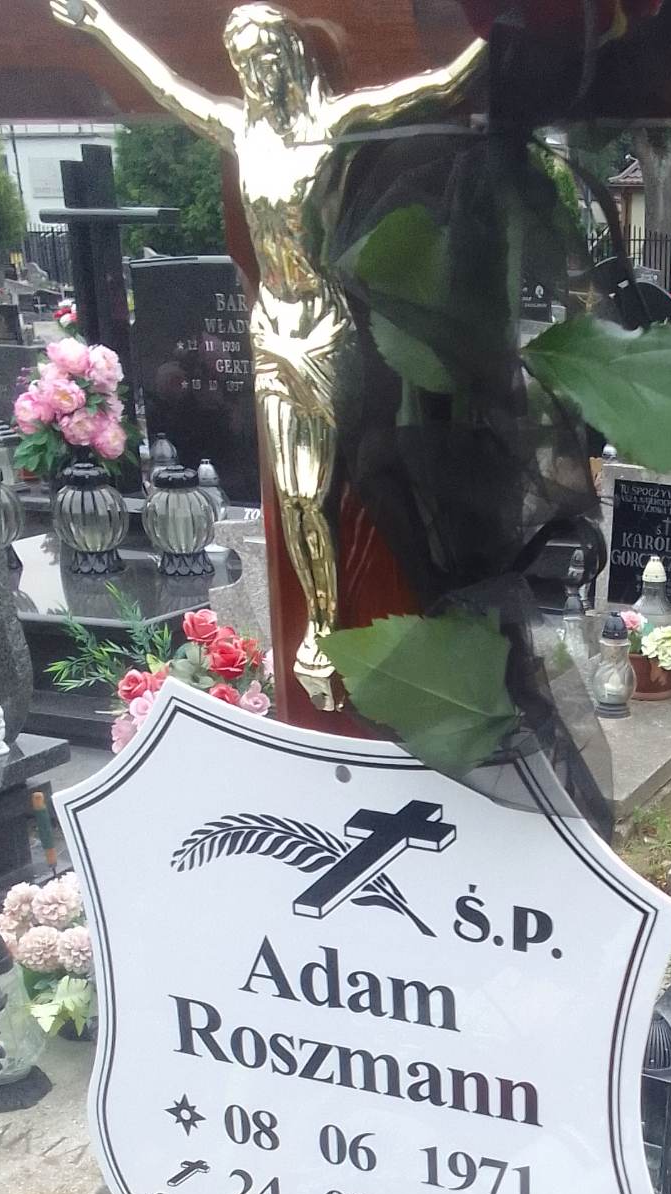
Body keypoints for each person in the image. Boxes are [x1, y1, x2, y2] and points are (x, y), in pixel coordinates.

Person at [51, 0, 482, 710]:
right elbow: (168, 87)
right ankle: (322, 622)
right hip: (270, 329)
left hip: (324, 328)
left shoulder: (333, 123)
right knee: (295, 495)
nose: (256, 73)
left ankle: (359, 623)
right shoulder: (239, 129)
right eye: (245, 63)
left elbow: (433, 89)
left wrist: (501, 38)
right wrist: (101, 26)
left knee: (341, 484)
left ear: (290, 60)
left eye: (266, 59)